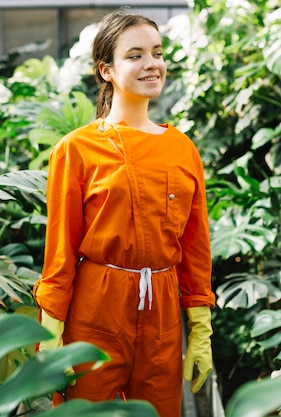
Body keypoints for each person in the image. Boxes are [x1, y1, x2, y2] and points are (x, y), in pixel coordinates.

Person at [33, 8, 215, 417]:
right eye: (135, 55)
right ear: (107, 70)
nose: (152, 64)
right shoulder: (76, 149)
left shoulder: (182, 149)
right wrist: (50, 331)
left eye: (157, 52)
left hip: (163, 314)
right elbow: (59, 250)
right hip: (97, 307)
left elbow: (195, 245)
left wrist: (200, 326)